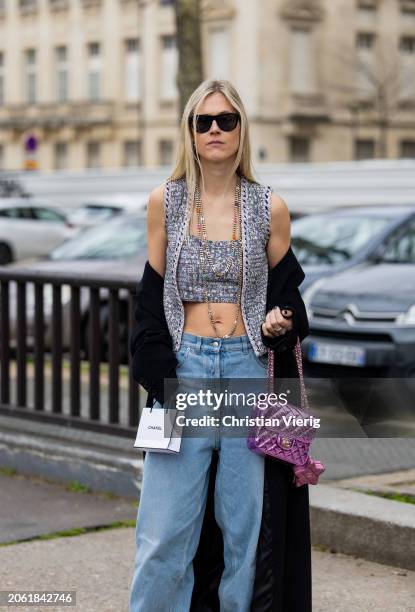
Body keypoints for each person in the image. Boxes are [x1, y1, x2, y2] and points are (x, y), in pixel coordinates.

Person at [129, 79, 311, 612]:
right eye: (202, 121)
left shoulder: (268, 206)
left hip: (245, 370)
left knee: (244, 531)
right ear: (188, 130)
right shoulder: (167, 201)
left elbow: (291, 299)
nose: (214, 130)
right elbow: (149, 294)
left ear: (241, 130)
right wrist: (159, 370)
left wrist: (280, 320)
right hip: (184, 368)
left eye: (225, 120)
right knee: (163, 530)